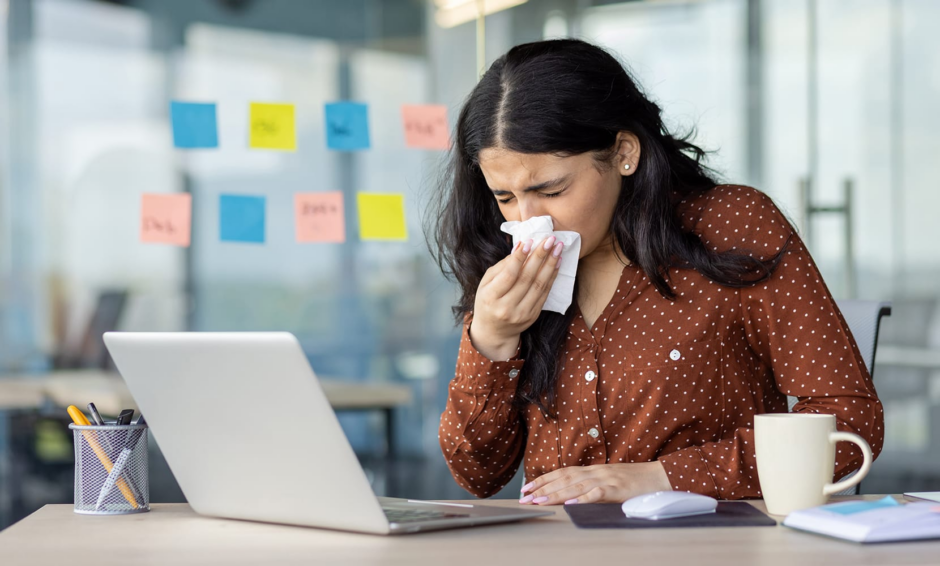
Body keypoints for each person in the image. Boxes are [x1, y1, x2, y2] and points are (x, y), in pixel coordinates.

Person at [428, 39, 883, 506]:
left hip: (708, 545)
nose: (527, 220)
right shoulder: (505, 260)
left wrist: (661, 478)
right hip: (555, 547)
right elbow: (477, 474)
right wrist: (491, 338)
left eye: (552, 189)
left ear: (624, 152)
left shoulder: (733, 226)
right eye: (505, 197)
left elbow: (849, 420)